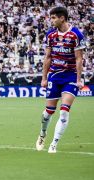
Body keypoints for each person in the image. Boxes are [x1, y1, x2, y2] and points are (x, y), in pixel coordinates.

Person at [35, 7, 86, 153]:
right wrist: (44, 78)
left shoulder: (76, 34)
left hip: (70, 76)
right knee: (48, 112)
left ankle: (54, 144)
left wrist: (79, 79)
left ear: (62, 18)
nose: (51, 20)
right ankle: (43, 134)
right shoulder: (50, 34)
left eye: (53, 18)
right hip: (54, 76)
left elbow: (79, 59)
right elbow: (48, 57)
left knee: (64, 111)